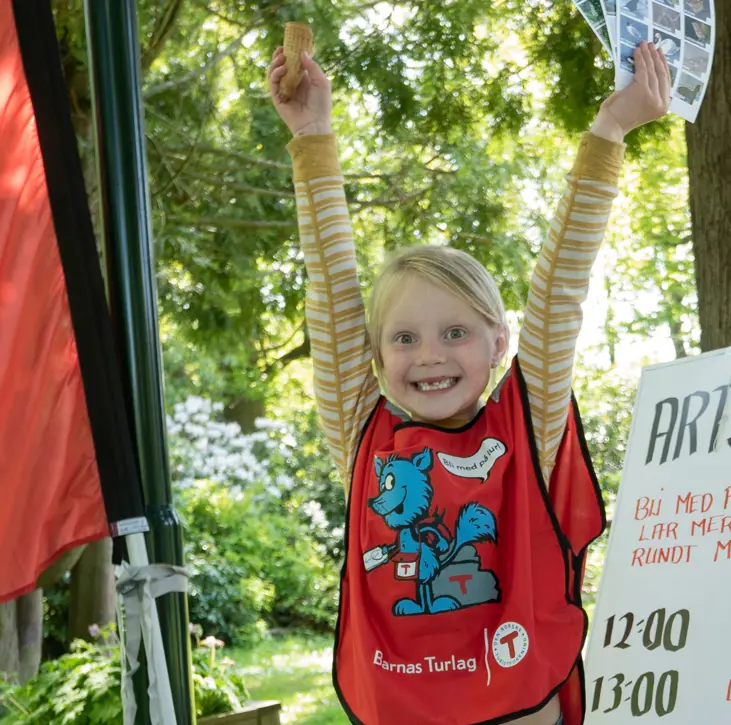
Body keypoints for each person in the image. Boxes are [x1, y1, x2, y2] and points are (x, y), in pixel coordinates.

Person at [268, 39, 671, 725]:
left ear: (499, 343)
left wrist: (608, 132)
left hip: (518, 700)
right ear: (375, 353)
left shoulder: (525, 420)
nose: (429, 354)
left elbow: (559, 294)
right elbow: (332, 290)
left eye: (454, 332)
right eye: (404, 337)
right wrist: (312, 136)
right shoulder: (364, 435)